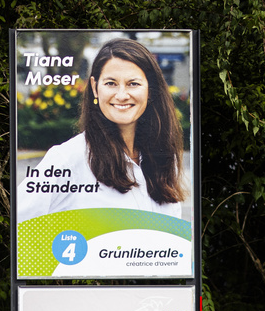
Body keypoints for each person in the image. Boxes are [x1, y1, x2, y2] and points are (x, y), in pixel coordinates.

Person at [16, 38, 185, 223]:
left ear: (150, 90)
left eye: (133, 84)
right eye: (111, 83)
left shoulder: (163, 159)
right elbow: (17, 225)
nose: (121, 95)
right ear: (95, 88)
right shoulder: (67, 159)